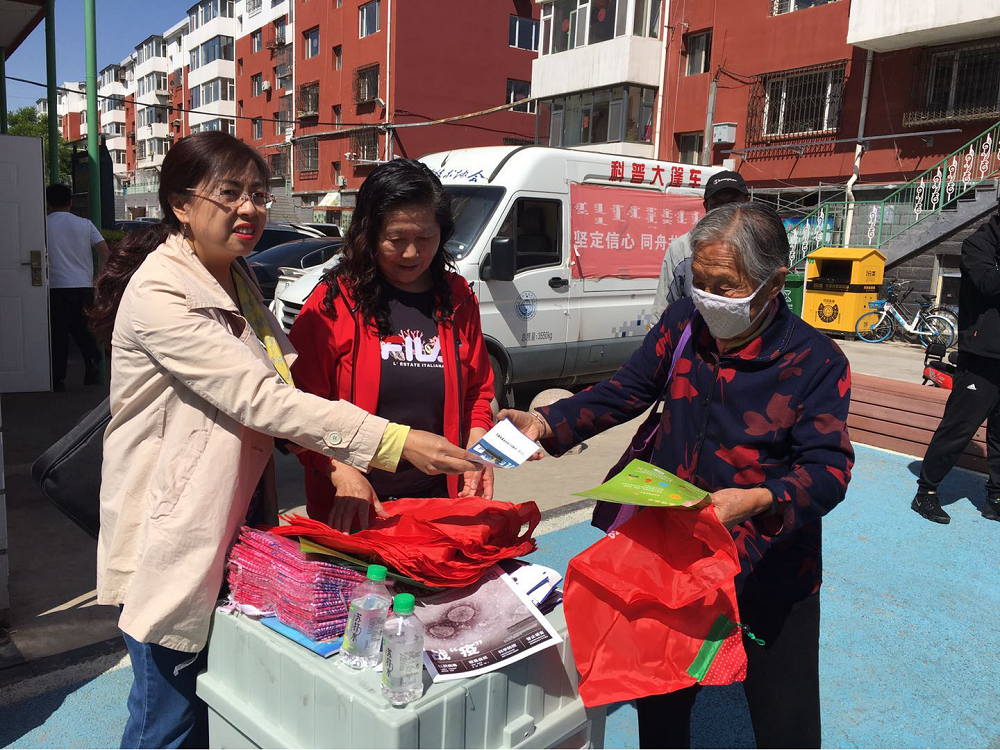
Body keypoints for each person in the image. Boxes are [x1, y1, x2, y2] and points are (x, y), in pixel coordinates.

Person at [89, 132, 477, 749]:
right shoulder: (164, 290)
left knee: (225, 693)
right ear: (181, 204)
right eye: (229, 194)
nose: (249, 208)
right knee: (168, 713)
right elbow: (264, 397)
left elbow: (283, 379)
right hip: (180, 520)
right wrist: (390, 443)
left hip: (238, 514)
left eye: (258, 194)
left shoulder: (235, 276)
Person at [501, 202, 853, 749]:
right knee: (661, 697)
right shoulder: (684, 324)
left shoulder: (816, 360)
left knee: (784, 718)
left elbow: (828, 469)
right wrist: (546, 422)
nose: (708, 297)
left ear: (774, 281)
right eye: (700, 281)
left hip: (769, 564)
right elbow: (627, 390)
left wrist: (760, 499)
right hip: (674, 554)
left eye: (726, 286)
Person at [289, 160, 496, 531]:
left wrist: (477, 447)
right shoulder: (332, 302)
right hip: (354, 507)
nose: (411, 254)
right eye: (396, 240)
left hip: (439, 505)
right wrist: (340, 470)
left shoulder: (458, 298)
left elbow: (477, 392)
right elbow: (299, 409)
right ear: (368, 233)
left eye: (425, 239)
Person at [913, 208, 1000, 523]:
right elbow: (988, 283)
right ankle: (926, 492)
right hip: (981, 357)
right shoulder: (978, 244)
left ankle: (996, 497)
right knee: (959, 427)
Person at [652, 170, 750, 316]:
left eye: (733, 203)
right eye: (717, 204)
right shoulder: (682, 248)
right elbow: (662, 310)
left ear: (747, 202)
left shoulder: (759, 246)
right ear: (706, 206)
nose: (725, 211)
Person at [45, 183, 108, 391]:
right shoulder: (85, 224)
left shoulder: (43, 225)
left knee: (59, 333)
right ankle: (92, 358)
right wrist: (100, 277)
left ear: (47, 204)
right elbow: (104, 251)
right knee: (81, 327)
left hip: (56, 285)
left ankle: (58, 379)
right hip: (83, 285)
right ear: (70, 202)